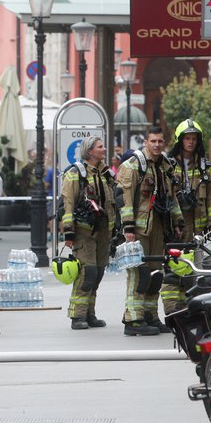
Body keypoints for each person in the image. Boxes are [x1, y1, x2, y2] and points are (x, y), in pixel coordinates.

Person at [117, 126, 183, 336]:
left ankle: (150, 316)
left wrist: (178, 221)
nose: (156, 145)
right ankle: (133, 319)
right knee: (139, 274)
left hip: (158, 227)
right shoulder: (133, 166)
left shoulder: (165, 166)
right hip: (139, 229)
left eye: (160, 141)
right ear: (145, 142)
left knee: (156, 274)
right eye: (153, 141)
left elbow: (171, 197)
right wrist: (128, 227)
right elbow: (124, 199)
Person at [160, 119, 211, 315]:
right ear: (180, 140)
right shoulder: (168, 165)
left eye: (194, 138)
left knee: (193, 268)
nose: (191, 142)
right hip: (175, 226)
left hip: (197, 228)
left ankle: (187, 308)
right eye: (187, 138)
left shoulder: (204, 167)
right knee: (172, 268)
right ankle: (171, 310)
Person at [60, 136, 115, 330]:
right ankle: (78, 315)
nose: (104, 149)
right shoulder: (76, 173)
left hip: (102, 231)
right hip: (84, 233)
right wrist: (68, 233)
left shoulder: (105, 174)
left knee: (98, 272)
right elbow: (68, 203)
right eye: (100, 147)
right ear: (90, 151)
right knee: (87, 272)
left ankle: (90, 314)